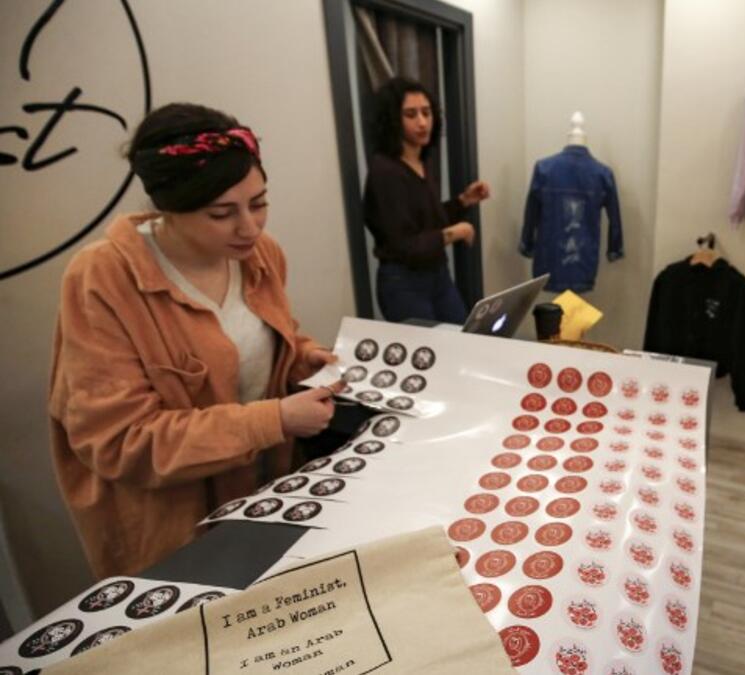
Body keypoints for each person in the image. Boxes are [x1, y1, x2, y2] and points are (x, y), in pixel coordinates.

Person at [48, 103, 341, 578]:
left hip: (266, 497)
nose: (250, 227)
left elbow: (256, 337)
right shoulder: (103, 278)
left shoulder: (260, 255)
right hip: (176, 531)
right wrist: (274, 419)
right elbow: (119, 442)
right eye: (221, 213)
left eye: (259, 203)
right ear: (168, 208)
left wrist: (300, 356)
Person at [363, 76, 491, 322]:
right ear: (393, 120)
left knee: (462, 340)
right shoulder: (385, 171)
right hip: (404, 283)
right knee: (429, 354)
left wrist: (463, 200)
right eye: (411, 115)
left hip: (437, 275)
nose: (422, 122)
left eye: (426, 112)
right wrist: (455, 233)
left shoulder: (421, 162)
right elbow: (403, 243)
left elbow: (426, 221)